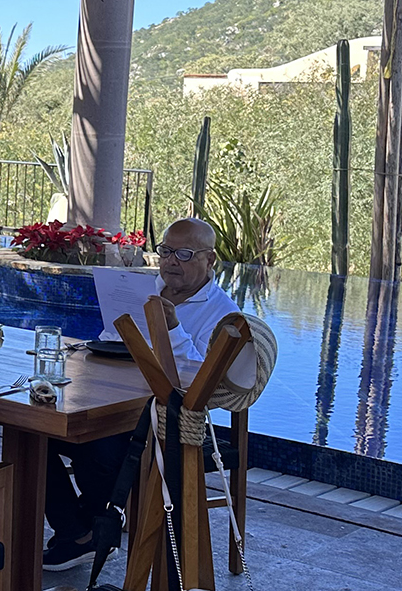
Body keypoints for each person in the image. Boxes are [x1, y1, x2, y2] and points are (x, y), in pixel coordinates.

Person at [42, 216, 243, 571]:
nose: (170, 262)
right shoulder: (145, 288)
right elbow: (110, 341)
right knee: (37, 436)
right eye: (165, 251)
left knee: (100, 449)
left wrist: (173, 329)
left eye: (183, 254)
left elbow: (201, 380)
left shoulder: (223, 313)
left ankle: (89, 530)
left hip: (168, 420)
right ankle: (78, 531)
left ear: (210, 260)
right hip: (113, 400)